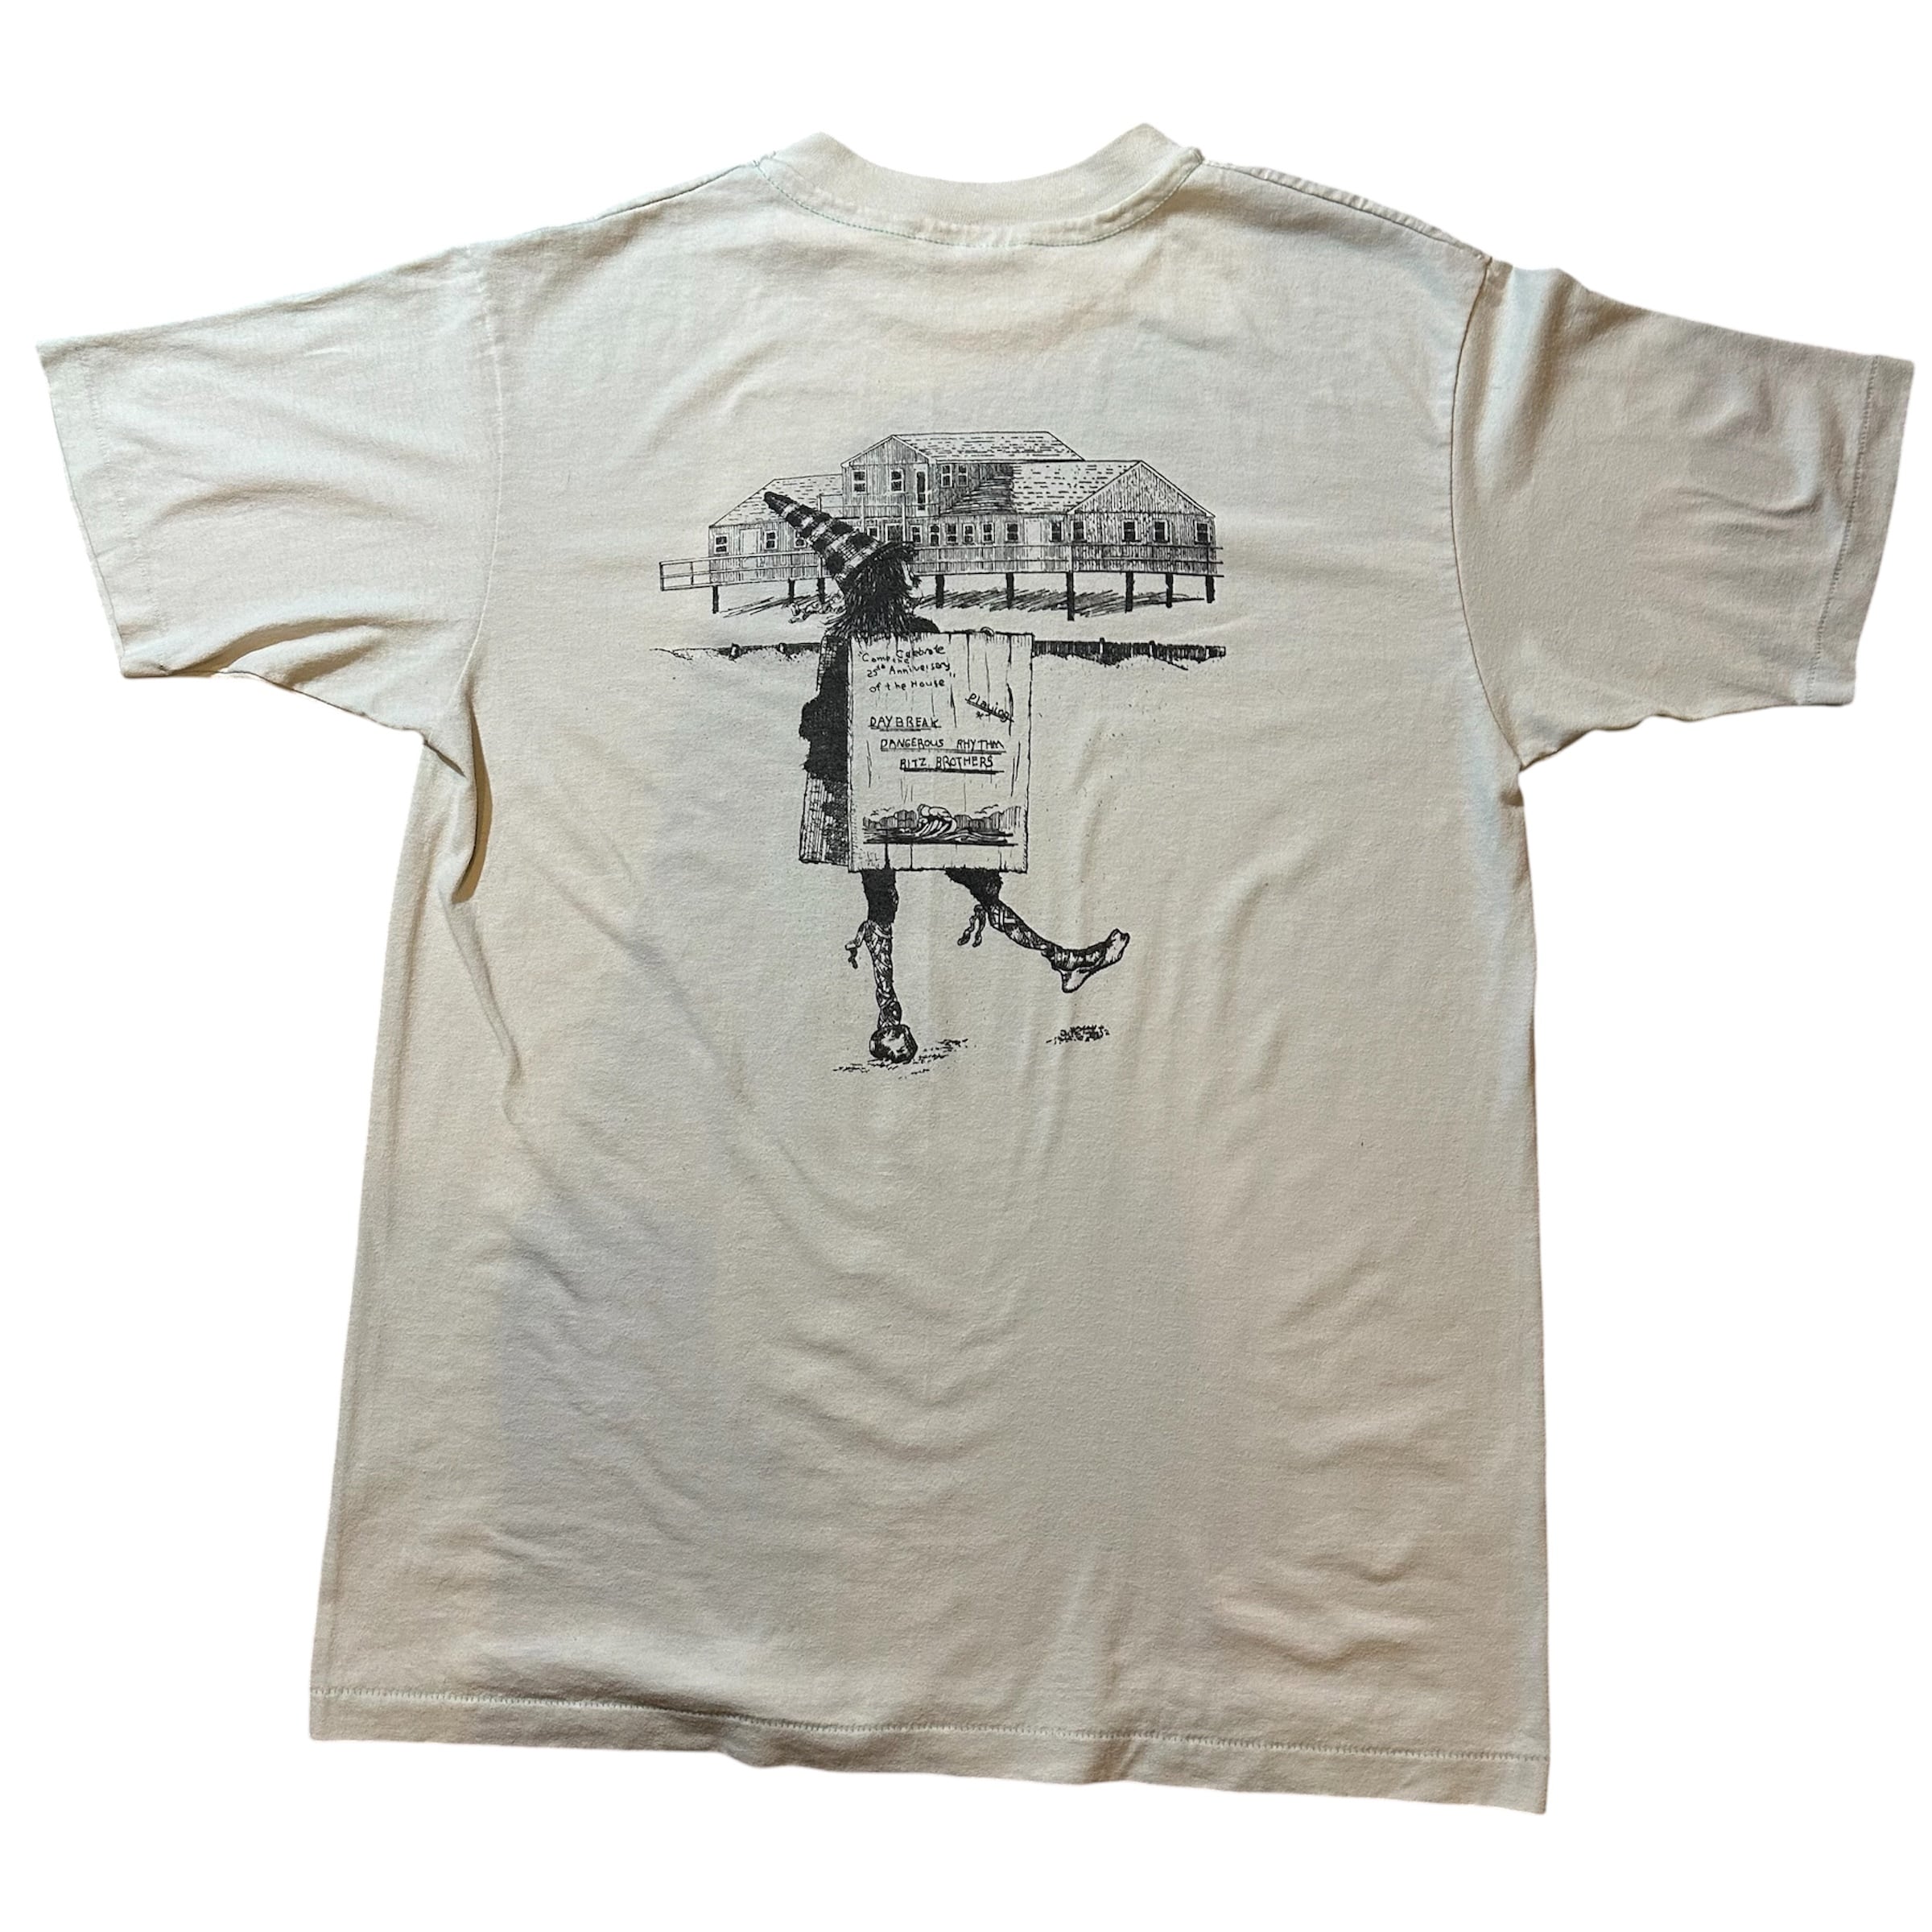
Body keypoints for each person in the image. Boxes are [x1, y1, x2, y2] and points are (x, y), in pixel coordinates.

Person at [768, 490, 1129, 1065]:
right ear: (885, 582)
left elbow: (926, 709)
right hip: (884, 790)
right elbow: (834, 722)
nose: (912, 578)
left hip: (897, 786)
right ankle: (898, 1014)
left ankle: (1043, 966)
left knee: (930, 888)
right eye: (901, 572)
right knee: (915, 890)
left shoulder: (867, 639)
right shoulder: (882, 638)